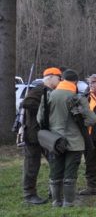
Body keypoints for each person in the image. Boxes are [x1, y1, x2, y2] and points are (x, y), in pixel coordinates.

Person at [37, 69, 96, 207]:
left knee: (55, 170)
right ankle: (69, 202)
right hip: (75, 141)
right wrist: (81, 123)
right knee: (70, 172)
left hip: (54, 141)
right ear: (75, 82)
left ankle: (56, 201)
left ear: (62, 79)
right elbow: (92, 119)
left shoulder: (47, 96)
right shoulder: (77, 98)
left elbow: (40, 119)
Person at [20, 67, 62, 204]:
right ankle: (29, 195)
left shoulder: (51, 91)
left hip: (45, 135)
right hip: (33, 135)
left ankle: (54, 190)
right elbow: (26, 103)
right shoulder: (39, 90)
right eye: (58, 77)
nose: (60, 80)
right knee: (32, 165)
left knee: (55, 161)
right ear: (49, 77)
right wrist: (45, 107)